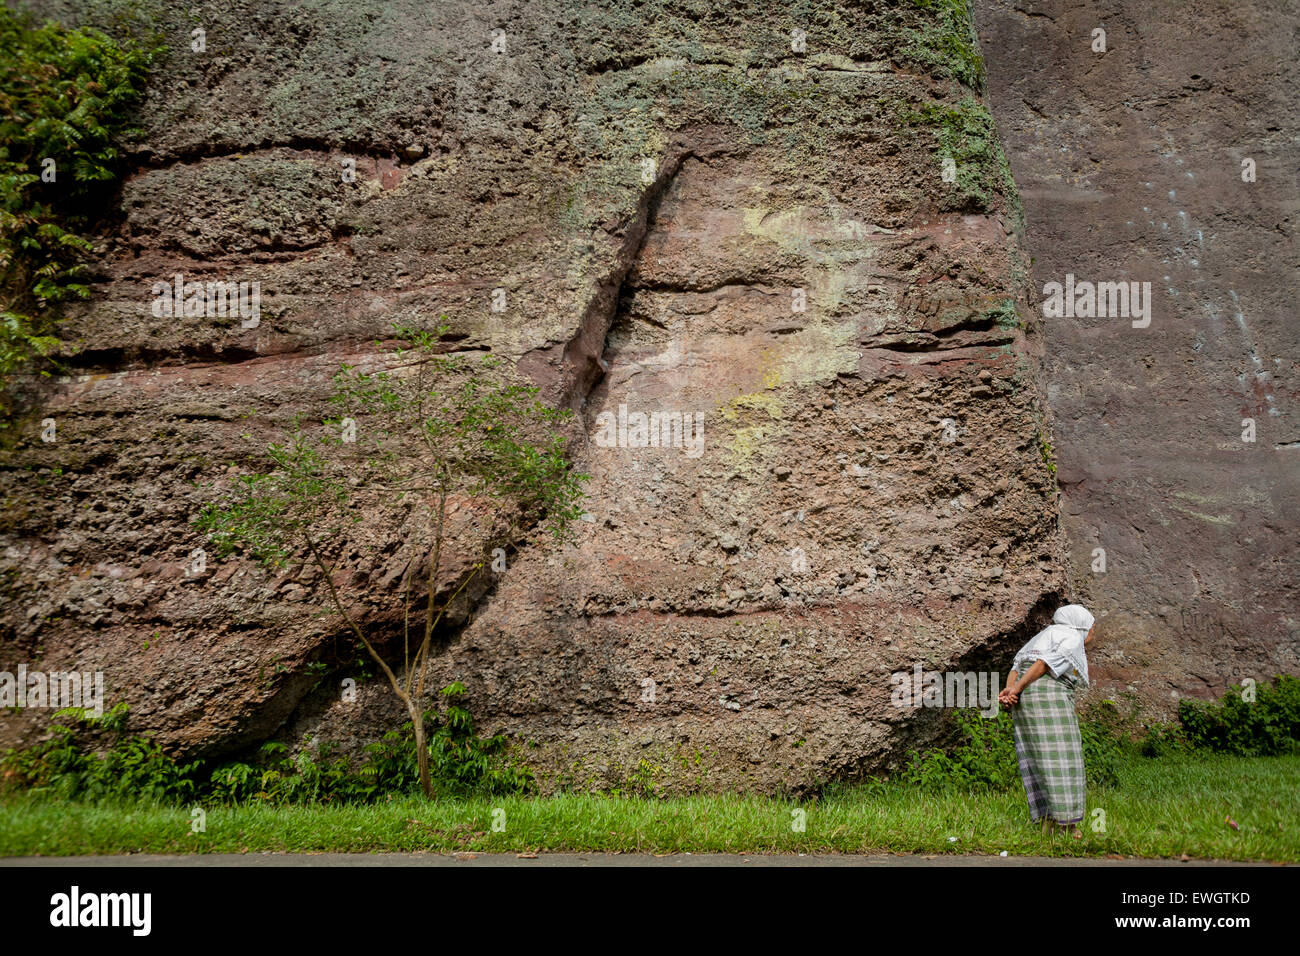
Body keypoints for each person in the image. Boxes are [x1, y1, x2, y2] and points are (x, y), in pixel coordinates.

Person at [998, 604, 1096, 837]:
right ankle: (1067, 825)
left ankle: (1047, 823)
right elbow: (1043, 665)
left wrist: (1010, 690)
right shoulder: (1071, 636)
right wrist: (1018, 689)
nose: (1094, 634)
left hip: (1027, 702)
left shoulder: (1043, 635)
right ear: (1081, 626)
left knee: (1038, 759)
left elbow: (1017, 666)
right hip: (1048, 700)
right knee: (1063, 759)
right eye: (1093, 628)